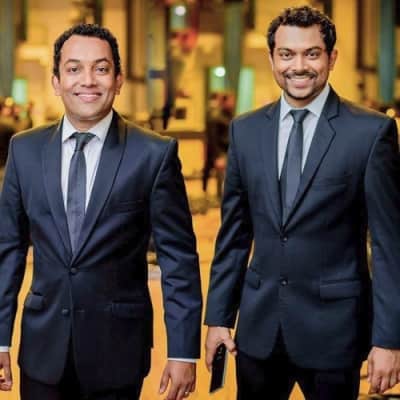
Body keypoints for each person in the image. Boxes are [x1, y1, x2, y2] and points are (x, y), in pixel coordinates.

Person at [204, 6, 400, 400]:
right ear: (272, 58)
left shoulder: (370, 133)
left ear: (332, 57)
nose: (299, 66)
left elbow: (388, 246)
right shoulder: (245, 131)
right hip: (258, 333)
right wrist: (219, 319)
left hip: (335, 332)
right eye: (287, 54)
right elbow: (233, 238)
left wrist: (389, 339)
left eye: (311, 54)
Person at [0, 24, 202, 400]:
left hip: (117, 351)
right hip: (43, 351)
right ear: (56, 81)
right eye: (74, 69)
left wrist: (182, 350)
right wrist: (0, 340)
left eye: (101, 68)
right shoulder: (24, 150)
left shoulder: (153, 154)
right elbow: (7, 251)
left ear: (119, 80)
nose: (88, 80)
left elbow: (178, 260)